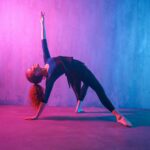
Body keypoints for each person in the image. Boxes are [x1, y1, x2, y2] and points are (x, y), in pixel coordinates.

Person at [25, 12, 132, 127]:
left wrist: (42, 23)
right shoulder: (50, 77)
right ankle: (118, 116)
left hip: (73, 73)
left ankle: (78, 106)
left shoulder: (47, 60)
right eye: (31, 69)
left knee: (84, 86)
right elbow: (45, 99)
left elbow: (43, 41)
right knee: (98, 89)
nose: (33, 65)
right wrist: (36, 116)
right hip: (79, 70)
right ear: (36, 74)